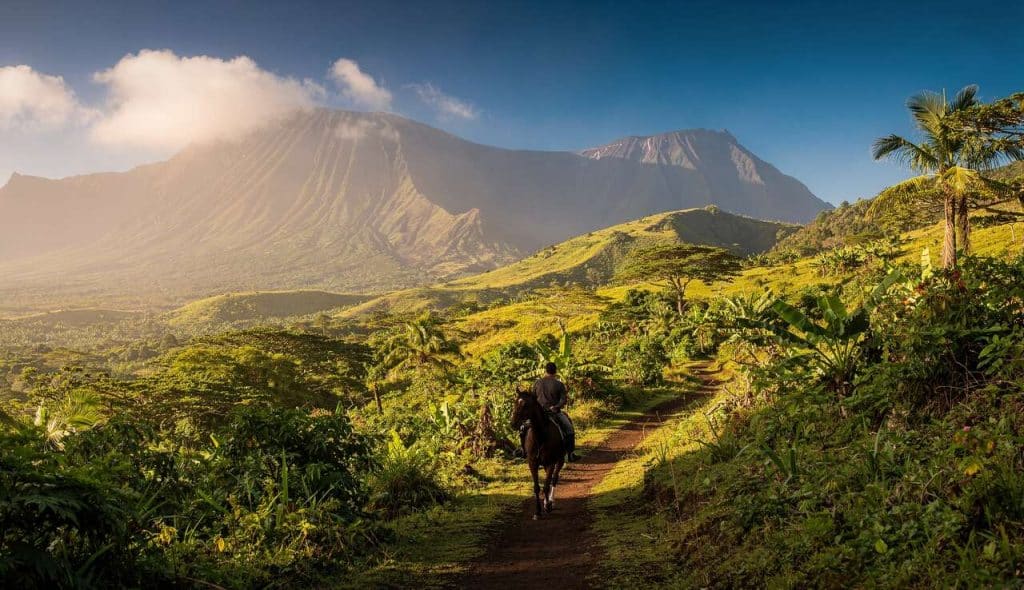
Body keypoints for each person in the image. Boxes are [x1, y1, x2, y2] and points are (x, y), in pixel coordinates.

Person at [531, 362, 579, 462]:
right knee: (569, 429)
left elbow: (533, 398)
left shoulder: (537, 383)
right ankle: (570, 454)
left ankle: (522, 450)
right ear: (555, 371)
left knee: (523, 428)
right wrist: (556, 407)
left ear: (545, 371)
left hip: (538, 414)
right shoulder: (559, 384)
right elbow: (563, 400)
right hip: (554, 413)